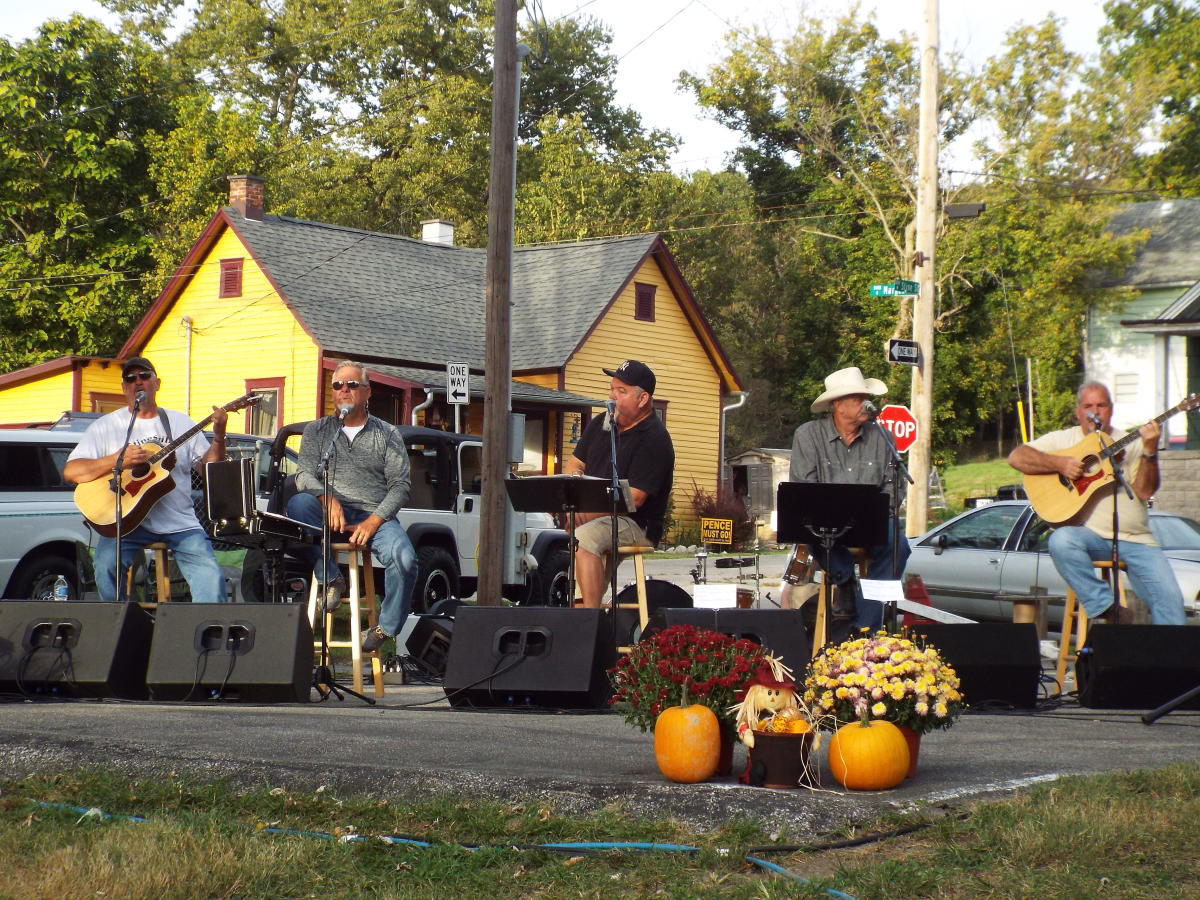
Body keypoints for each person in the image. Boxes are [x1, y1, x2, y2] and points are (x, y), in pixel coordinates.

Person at [1007, 381, 1186, 625]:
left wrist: (1150, 451)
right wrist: (1060, 464)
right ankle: (1108, 608)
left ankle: (1172, 662)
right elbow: (1017, 457)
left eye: (1101, 405)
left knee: (1169, 600)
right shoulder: (1064, 440)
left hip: (1136, 540)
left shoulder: (1131, 442)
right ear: (1078, 411)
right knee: (1060, 540)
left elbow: (1144, 492)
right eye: (1088, 406)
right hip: (1089, 538)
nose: (1095, 411)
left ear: (1110, 409)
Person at [64, 356, 228, 603]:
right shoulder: (107, 426)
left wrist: (219, 436)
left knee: (210, 576)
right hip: (127, 523)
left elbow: (209, 470)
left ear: (157, 383)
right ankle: (122, 624)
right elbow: (71, 472)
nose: (137, 382)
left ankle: (208, 633)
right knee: (106, 565)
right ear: (123, 388)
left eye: (144, 376)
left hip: (180, 522)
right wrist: (118, 459)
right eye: (130, 378)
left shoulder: (180, 422)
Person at [287, 361, 418, 653]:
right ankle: (332, 578)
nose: (344, 390)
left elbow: (401, 486)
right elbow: (304, 474)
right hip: (327, 513)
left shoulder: (387, 433)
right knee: (297, 506)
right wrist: (325, 497)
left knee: (406, 560)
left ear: (367, 392)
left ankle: (385, 628)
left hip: (374, 517)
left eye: (352, 385)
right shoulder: (318, 430)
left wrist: (374, 521)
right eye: (338, 386)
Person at [788, 366, 910, 636]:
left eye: (866, 397)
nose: (867, 404)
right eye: (857, 398)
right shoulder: (808, 435)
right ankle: (845, 583)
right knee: (811, 531)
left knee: (899, 545)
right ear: (837, 405)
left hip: (870, 519)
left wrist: (876, 511)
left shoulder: (883, 437)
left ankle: (864, 628)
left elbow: (895, 487)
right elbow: (803, 489)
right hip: (825, 521)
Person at [563, 360, 675, 609]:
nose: (612, 396)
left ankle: (588, 621)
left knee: (584, 538)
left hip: (638, 523)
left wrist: (587, 513)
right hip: (597, 519)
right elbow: (574, 464)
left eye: (621, 391)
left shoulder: (655, 438)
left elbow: (633, 499)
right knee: (579, 543)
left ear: (643, 399)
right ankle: (581, 614)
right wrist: (576, 494)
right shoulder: (600, 424)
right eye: (612, 389)